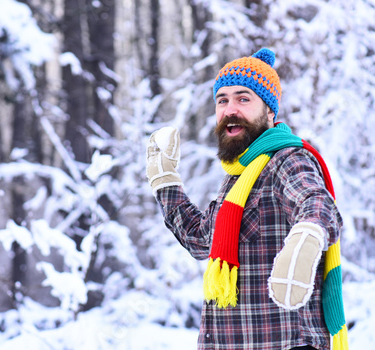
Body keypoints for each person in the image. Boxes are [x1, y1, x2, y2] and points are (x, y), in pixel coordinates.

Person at [146, 48, 349, 350]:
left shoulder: (288, 159)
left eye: (243, 99)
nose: (230, 109)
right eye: (222, 100)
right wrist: (165, 180)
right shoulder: (238, 178)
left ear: (270, 111)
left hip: (283, 342)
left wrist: (307, 237)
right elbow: (202, 241)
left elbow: (316, 203)